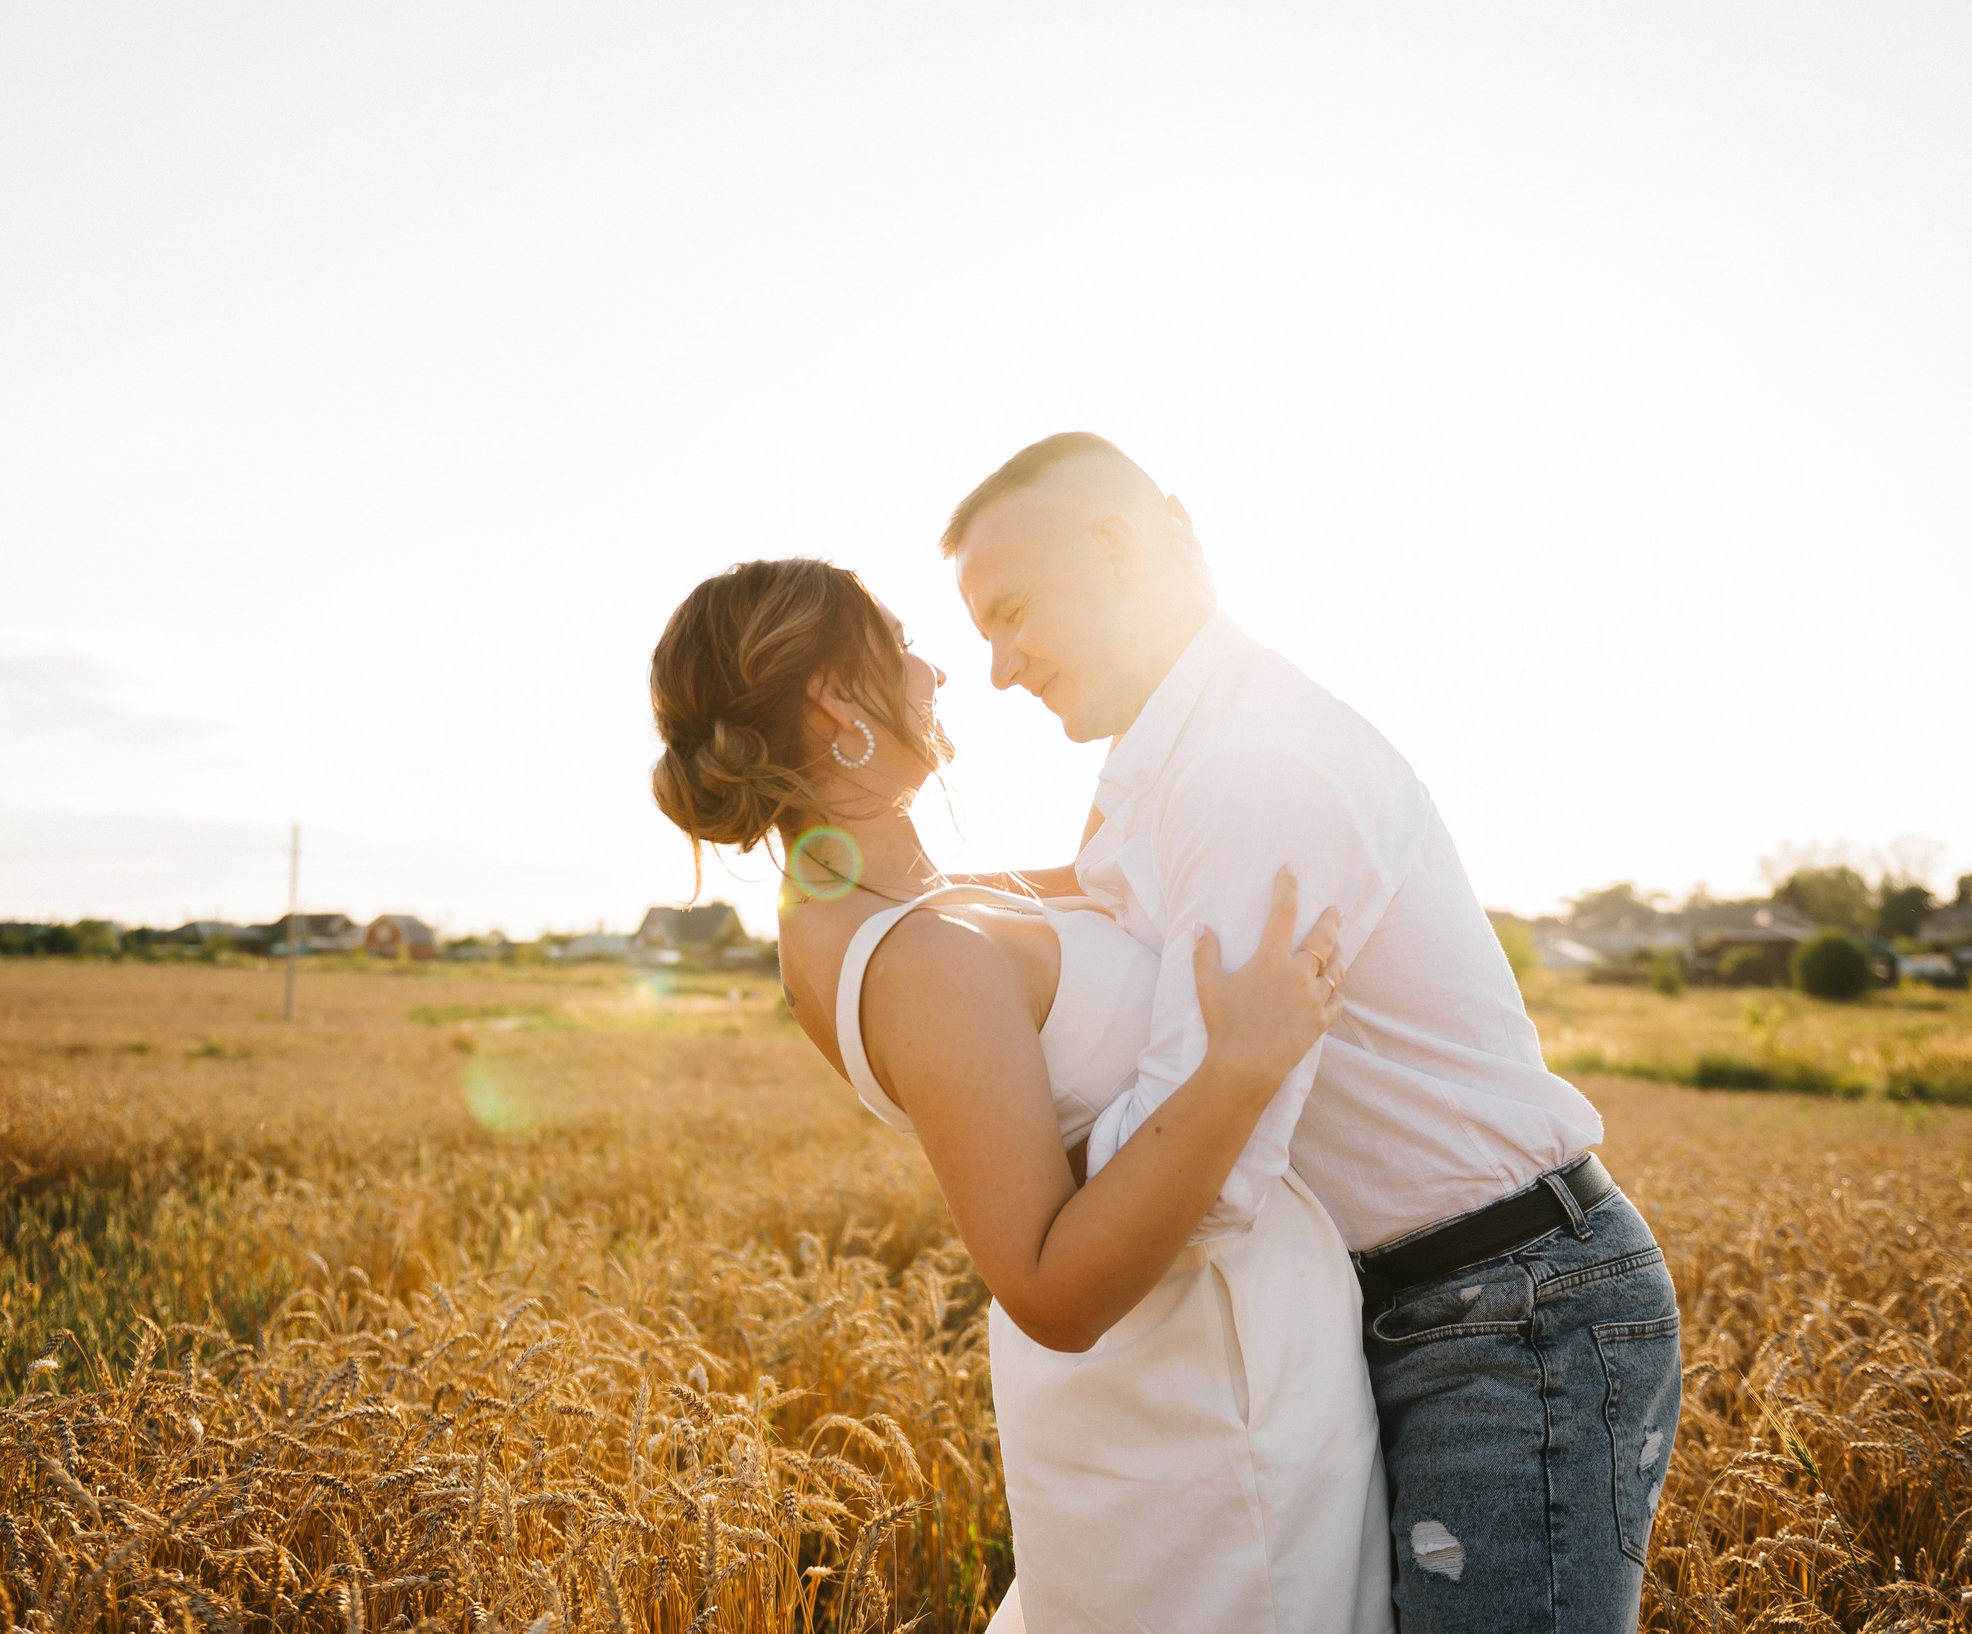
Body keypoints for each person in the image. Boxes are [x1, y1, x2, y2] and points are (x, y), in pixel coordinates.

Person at [943, 433, 1683, 1634]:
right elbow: (1074, 904)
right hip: (1407, 1306)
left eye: (1011, 611)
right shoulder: (1168, 771)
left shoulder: (1250, 770)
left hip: (1506, 1314)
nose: (996, 665)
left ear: (1120, 550)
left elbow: (1220, 1178)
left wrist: (1022, 1176)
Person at [647, 557, 1391, 1633]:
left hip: (1224, 1382)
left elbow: (1116, 872)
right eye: (899, 642)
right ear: (832, 696)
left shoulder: (896, 908)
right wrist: (1240, 1065)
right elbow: (1047, 1288)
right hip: (1201, 1414)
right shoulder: (920, 956)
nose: (935, 668)